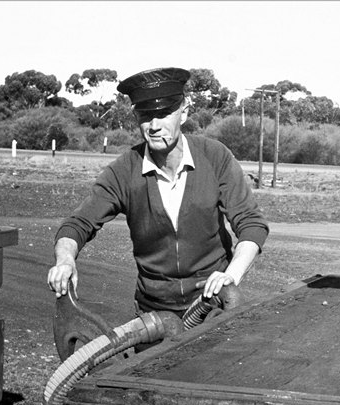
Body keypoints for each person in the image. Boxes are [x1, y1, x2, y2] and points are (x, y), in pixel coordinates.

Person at [47, 67, 268, 318]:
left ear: (183, 114)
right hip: (153, 311)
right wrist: (65, 259)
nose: (153, 126)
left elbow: (251, 223)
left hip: (212, 304)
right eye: (145, 115)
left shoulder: (215, 157)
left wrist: (231, 275)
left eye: (163, 114)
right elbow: (78, 224)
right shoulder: (124, 170)